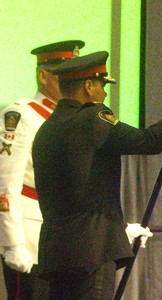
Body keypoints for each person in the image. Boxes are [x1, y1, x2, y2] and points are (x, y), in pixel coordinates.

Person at [31, 50, 162, 299]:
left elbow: (78, 189)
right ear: (88, 86)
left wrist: (118, 229)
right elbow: (149, 141)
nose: (105, 92)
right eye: (102, 85)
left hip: (56, 254)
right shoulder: (92, 117)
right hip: (91, 252)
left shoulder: (46, 129)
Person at [0, 40, 85, 299]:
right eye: (63, 75)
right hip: (31, 236)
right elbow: (5, 184)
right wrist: (13, 243)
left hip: (62, 240)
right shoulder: (20, 115)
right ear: (43, 75)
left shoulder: (71, 117)